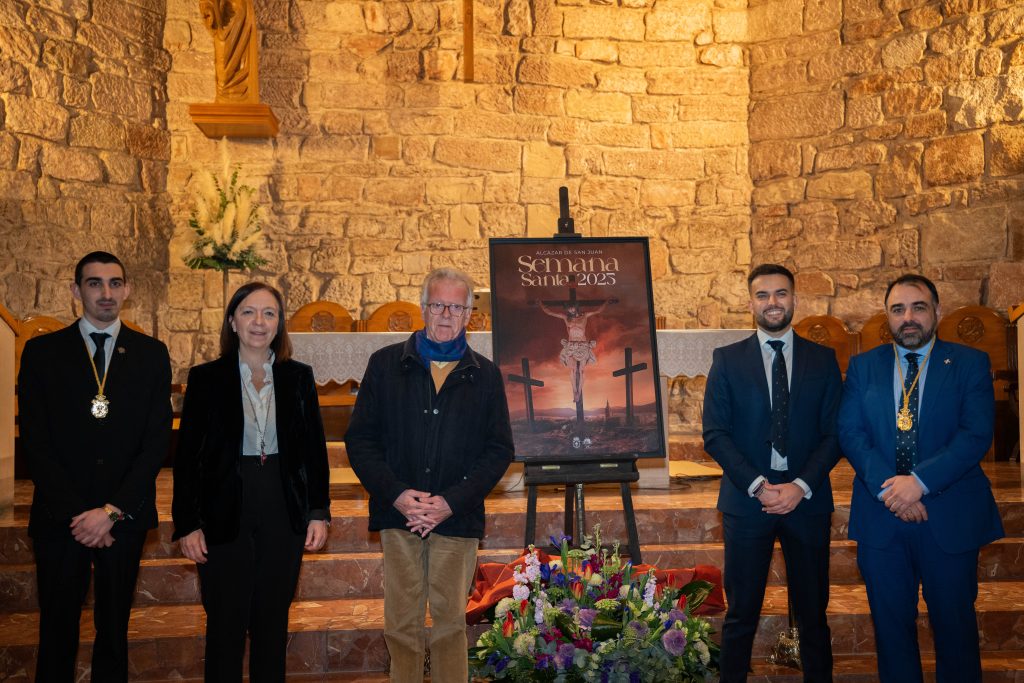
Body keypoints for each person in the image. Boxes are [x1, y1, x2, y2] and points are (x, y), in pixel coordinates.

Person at [345, 267, 514, 682]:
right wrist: (399, 494)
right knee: (401, 623)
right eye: (438, 304)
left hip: (456, 518)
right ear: (423, 308)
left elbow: (499, 450)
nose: (445, 314)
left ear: (469, 314)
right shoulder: (385, 365)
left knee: (450, 624)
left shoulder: (485, 374)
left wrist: (450, 502)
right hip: (398, 514)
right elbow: (361, 440)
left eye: (456, 307)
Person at [838, 274, 1003, 683]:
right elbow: (851, 433)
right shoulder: (863, 366)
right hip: (882, 519)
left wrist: (920, 482)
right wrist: (891, 488)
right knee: (891, 633)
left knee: (956, 632)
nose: (907, 317)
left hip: (948, 515)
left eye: (918, 307)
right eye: (897, 309)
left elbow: (976, 433)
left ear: (937, 312)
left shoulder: (969, 362)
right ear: (887, 317)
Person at [18, 251, 171, 682]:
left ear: (128, 289)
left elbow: (156, 442)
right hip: (59, 518)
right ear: (75, 291)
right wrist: (79, 516)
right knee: (56, 631)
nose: (107, 293)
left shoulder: (151, 354)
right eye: (94, 283)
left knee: (115, 630)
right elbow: (36, 443)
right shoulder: (42, 352)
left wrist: (110, 512)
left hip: (123, 518)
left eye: (115, 283)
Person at [172, 282, 331, 681]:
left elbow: (314, 451)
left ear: (279, 324)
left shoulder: (298, 377)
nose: (258, 322)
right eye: (248, 312)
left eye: (269, 313)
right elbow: (187, 458)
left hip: (283, 506)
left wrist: (318, 511)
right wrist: (187, 522)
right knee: (225, 623)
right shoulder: (206, 379)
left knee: (272, 622)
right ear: (232, 321)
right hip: (223, 509)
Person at [702, 263, 841, 682]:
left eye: (781, 294)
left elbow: (836, 433)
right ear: (750, 303)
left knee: (813, 613)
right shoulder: (727, 360)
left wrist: (800, 486)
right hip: (748, 504)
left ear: (795, 299)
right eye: (763, 295)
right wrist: (759, 486)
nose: (773, 303)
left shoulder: (823, 359)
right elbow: (715, 434)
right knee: (741, 613)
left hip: (808, 502)